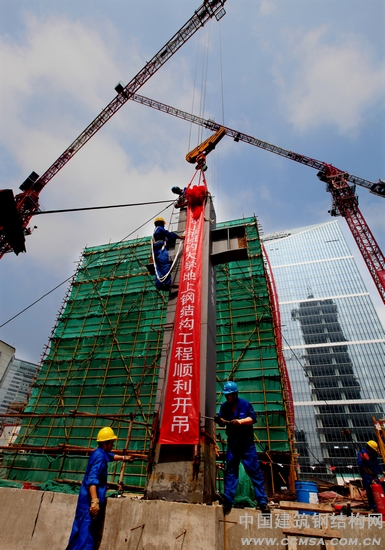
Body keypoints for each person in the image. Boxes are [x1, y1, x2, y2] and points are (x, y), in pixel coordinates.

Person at [66, 427, 130, 550]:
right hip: (89, 505)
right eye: (111, 442)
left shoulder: (98, 453)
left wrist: (124, 458)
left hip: (84, 503)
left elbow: (109, 456)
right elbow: (92, 480)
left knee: (77, 535)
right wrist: (94, 501)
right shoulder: (100, 457)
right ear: (105, 443)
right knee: (86, 538)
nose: (113, 444)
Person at [215, 381, 270, 515]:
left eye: (229, 395)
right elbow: (222, 422)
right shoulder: (224, 407)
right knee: (231, 472)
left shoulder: (245, 404)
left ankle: (262, 502)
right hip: (233, 444)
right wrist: (219, 420)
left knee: (254, 472)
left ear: (235, 394)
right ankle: (228, 499)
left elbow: (252, 418)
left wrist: (239, 421)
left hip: (246, 445)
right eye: (226, 395)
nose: (227, 397)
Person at [152, 217, 184, 291]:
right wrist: (179, 237)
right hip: (161, 250)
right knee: (164, 265)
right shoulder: (160, 229)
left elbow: (167, 238)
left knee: (158, 269)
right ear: (162, 223)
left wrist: (171, 238)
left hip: (156, 252)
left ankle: (159, 285)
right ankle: (168, 283)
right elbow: (168, 234)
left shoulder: (156, 233)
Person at [357, 440, 384, 511]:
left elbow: (376, 464)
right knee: (369, 490)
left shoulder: (373, 455)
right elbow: (361, 464)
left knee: (379, 487)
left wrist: (382, 470)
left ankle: (380, 504)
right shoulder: (362, 454)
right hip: (367, 475)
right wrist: (368, 471)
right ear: (370, 448)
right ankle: (372, 506)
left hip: (374, 474)